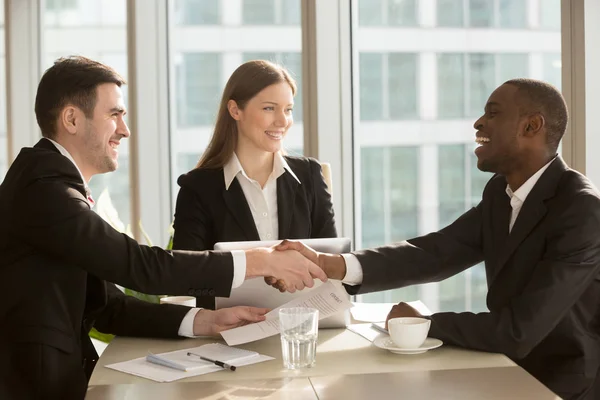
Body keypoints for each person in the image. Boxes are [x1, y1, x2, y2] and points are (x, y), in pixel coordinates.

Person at [0, 56, 327, 400]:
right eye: (114, 114)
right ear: (71, 119)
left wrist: (205, 321)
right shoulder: (45, 189)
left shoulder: (49, 183)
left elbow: (109, 308)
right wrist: (259, 261)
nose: (125, 129)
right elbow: (141, 266)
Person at [273, 79, 600, 400]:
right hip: (502, 367)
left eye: (493, 113)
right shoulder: (500, 193)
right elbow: (435, 252)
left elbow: (519, 332)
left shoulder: (580, 209)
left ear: (531, 126)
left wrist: (422, 324)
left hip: (559, 383)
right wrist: (332, 264)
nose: (478, 123)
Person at [172, 60, 337, 308]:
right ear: (235, 110)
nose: (283, 121)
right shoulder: (197, 188)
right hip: (228, 333)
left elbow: (332, 263)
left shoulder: (310, 176)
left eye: (289, 109)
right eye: (270, 108)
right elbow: (185, 275)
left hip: (303, 326)